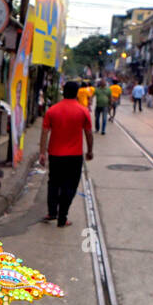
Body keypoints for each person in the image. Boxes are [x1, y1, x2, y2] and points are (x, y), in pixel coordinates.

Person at [39, 79, 95, 228]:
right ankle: (62, 217)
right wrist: (90, 151)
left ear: (63, 91)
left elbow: (44, 131)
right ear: (77, 93)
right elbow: (89, 133)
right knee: (69, 186)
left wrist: (42, 153)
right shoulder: (83, 111)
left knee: (53, 183)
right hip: (74, 156)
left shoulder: (52, 110)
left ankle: (52, 212)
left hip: (55, 154)